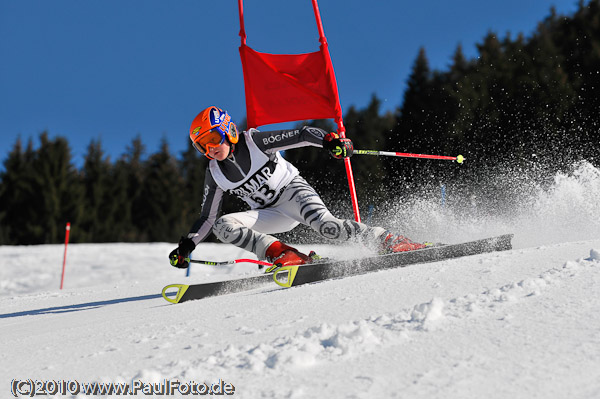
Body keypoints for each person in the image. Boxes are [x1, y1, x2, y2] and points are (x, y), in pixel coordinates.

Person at [169, 106, 427, 270]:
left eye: (213, 138)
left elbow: (302, 135)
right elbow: (207, 216)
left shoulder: (255, 141)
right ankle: (286, 255)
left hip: (292, 192)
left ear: (227, 130)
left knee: (329, 228)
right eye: (203, 145)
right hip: (269, 214)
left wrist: (330, 141)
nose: (211, 148)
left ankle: (389, 240)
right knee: (223, 225)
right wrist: (187, 247)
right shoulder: (214, 174)